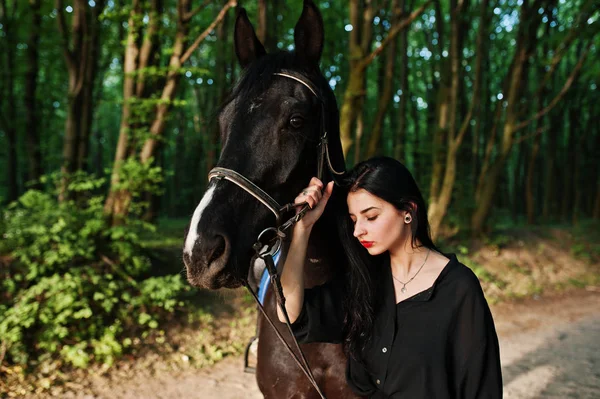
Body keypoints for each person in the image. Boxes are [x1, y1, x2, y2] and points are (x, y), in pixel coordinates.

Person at [278, 156, 502, 398]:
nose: (357, 231)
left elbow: (482, 388)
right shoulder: (364, 282)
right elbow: (289, 313)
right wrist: (302, 228)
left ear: (408, 211)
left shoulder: (458, 288)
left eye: (371, 216)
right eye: (354, 220)